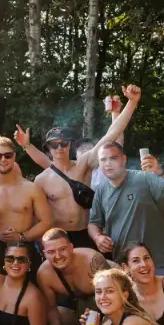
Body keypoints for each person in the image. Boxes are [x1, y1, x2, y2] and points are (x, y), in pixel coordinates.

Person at [20, 85, 141, 248]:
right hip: (58, 237)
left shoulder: (84, 164)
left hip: (87, 233)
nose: (59, 148)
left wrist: (132, 102)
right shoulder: (42, 180)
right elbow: (38, 217)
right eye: (54, 145)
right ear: (48, 149)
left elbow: (111, 135)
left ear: (70, 145)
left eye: (63, 143)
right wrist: (39, 243)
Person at [87, 143, 164, 273]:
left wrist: (161, 170)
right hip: (124, 265)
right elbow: (93, 223)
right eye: (103, 159)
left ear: (123, 159)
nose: (108, 163)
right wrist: (98, 237)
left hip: (158, 263)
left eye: (113, 158)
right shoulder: (101, 190)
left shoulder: (144, 178)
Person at [0, 136, 52, 274]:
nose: (3, 159)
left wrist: (21, 237)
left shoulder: (31, 188)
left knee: (31, 292)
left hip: (26, 247)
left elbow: (46, 221)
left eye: (8, 155)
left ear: (14, 156)